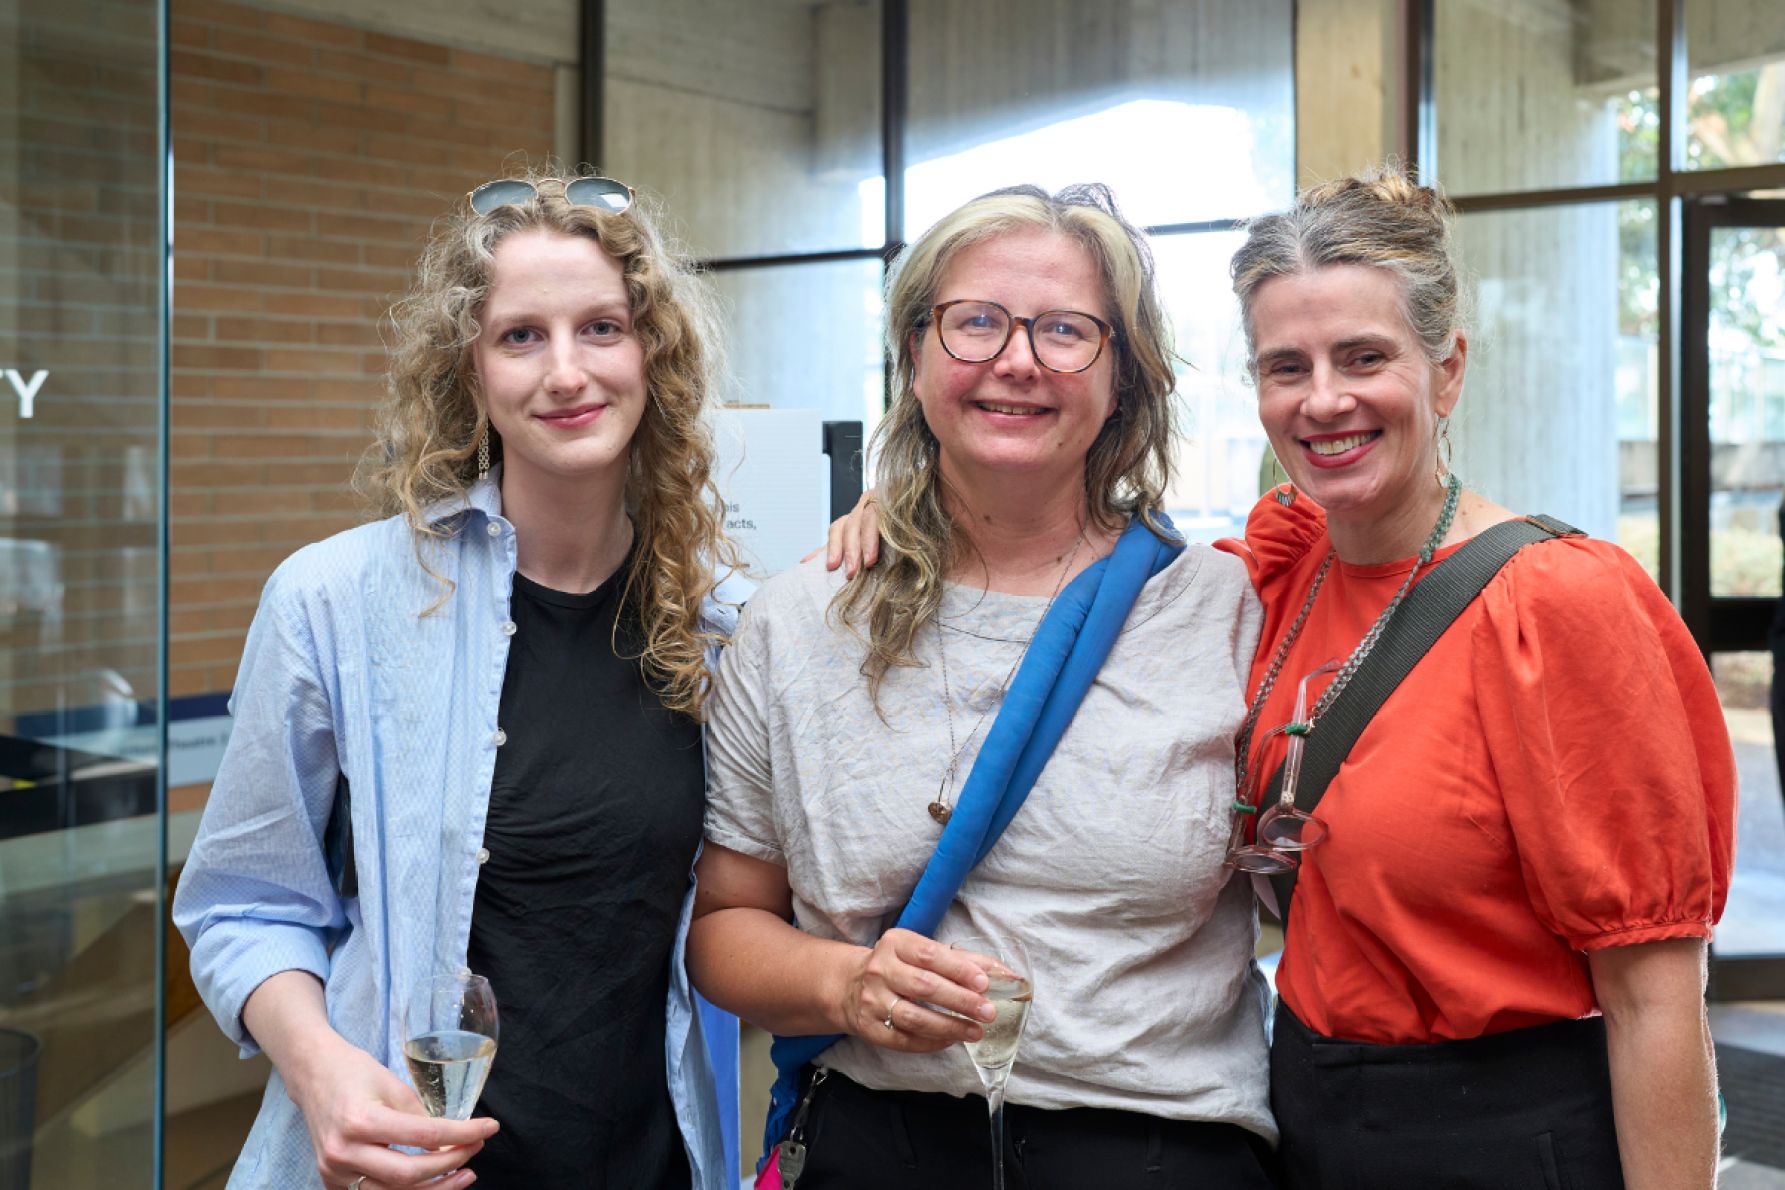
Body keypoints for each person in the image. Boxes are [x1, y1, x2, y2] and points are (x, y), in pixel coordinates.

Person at [825, 169, 1736, 1190]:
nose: (1324, 399)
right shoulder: (1283, 567)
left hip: (1501, 1133)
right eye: (1284, 366)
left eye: (1364, 357)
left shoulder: (1558, 605)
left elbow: (1659, 996)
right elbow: (1065, 553)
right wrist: (896, 518)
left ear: (1448, 371)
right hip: (1304, 1115)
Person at [689, 184, 1279, 1189]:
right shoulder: (800, 622)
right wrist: (842, 979)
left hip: (1162, 1149)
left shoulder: (1223, 609)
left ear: (1126, 379)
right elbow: (723, 925)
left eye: (1065, 330)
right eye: (976, 322)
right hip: (882, 1144)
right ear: (914, 356)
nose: (1017, 359)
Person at [172, 170, 746, 1190]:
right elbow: (241, 903)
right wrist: (322, 1074)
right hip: (399, 1166)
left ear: (652, 353)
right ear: (470, 371)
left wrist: (875, 536)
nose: (566, 372)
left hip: (650, 1163)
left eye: (602, 328)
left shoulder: (720, 625)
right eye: (520, 336)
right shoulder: (334, 599)